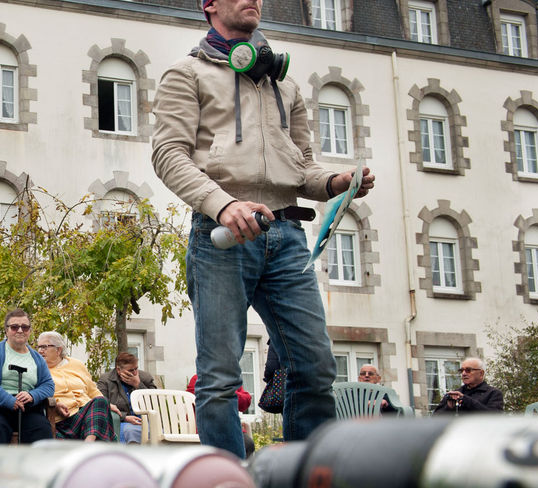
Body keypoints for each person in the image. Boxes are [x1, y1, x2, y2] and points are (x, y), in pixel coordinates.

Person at [151, 0, 375, 457]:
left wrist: (335, 183)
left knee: (314, 366)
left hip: (287, 237)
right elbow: (167, 154)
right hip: (221, 238)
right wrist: (223, 204)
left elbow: (302, 169)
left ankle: (302, 486)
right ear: (209, 5)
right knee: (219, 379)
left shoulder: (284, 83)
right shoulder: (186, 74)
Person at [0, 309, 55, 444]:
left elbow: (48, 385)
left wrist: (32, 395)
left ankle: (35, 465)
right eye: (15, 327)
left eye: (25, 327)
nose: (20, 330)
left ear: (30, 331)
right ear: (6, 330)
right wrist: (8, 400)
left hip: (27, 409)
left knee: (41, 428)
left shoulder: (37, 358)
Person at [38, 331, 116, 442]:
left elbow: (93, 390)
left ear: (58, 350)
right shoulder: (38, 369)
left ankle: (88, 444)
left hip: (84, 413)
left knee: (101, 400)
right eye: (39, 347)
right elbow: (38, 393)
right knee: (100, 416)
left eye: (44, 347)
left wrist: (109, 406)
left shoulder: (76, 364)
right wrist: (55, 403)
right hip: (62, 418)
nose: (40, 351)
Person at [96, 352, 155, 444]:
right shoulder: (106, 380)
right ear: (119, 370)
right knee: (128, 431)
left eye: (136, 368)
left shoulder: (145, 377)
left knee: (158, 432)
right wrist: (124, 417)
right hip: (122, 422)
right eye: (131, 370)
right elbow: (101, 403)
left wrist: (138, 384)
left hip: (146, 421)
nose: (135, 373)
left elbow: (155, 402)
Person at [433, 357, 504, 414]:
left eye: (468, 370)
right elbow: (436, 420)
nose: (463, 373)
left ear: (481, 373)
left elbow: (494, 418)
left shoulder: (493, 393)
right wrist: (449, 407)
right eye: (462, 370)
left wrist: (465, 400)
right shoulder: (454, 394)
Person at [187, 374, 252, 413]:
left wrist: (226, 393)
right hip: (205, 429)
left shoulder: (233, 380)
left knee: (245, 436)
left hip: (231, 428)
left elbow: (245, 402)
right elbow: (198, 399)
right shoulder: (198, 378)